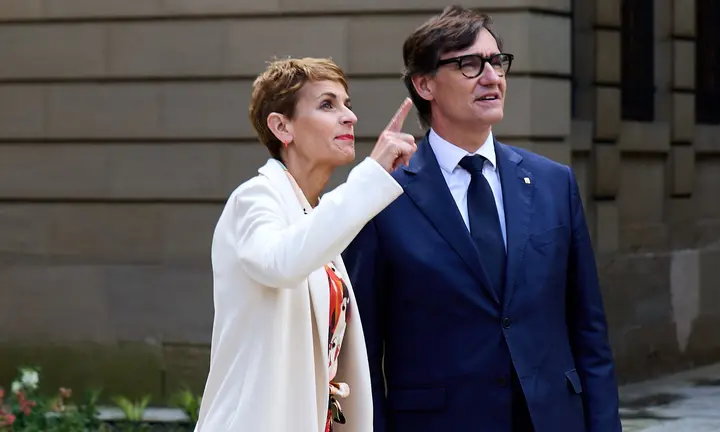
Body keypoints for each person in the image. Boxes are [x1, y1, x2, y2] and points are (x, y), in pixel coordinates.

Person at [342, 6, 622, 432]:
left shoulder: (553, 183)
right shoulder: (384, 197)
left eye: (497, 62)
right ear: (425, 84)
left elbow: (590, 333)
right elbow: (361, 355)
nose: (492, 77)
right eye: (469, 64)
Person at [194, 57, 417, 432]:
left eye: (347, 104)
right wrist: (369, 178)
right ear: (282, 127)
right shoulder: (255, 198)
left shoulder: (311, 213)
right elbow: (281, 262)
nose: (350, 117)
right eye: (328, 104)